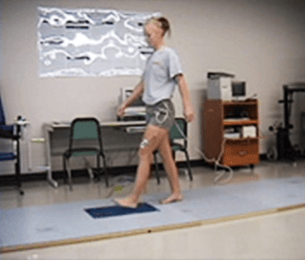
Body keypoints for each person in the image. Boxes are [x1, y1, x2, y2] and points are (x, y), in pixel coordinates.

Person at [113, 17, 195, 208]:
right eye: (145, 34)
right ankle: (176, 192)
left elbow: (181, 80)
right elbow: (141, 86)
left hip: (162, 111)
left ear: (160, 31)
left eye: (149, 33)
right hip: (151, 111)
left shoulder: (169, 55)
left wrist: (188, 106)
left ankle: (133, 199)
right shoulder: (152, 58)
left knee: (144, 151)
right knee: (166, 155)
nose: (146, 38)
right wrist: (125, 103)